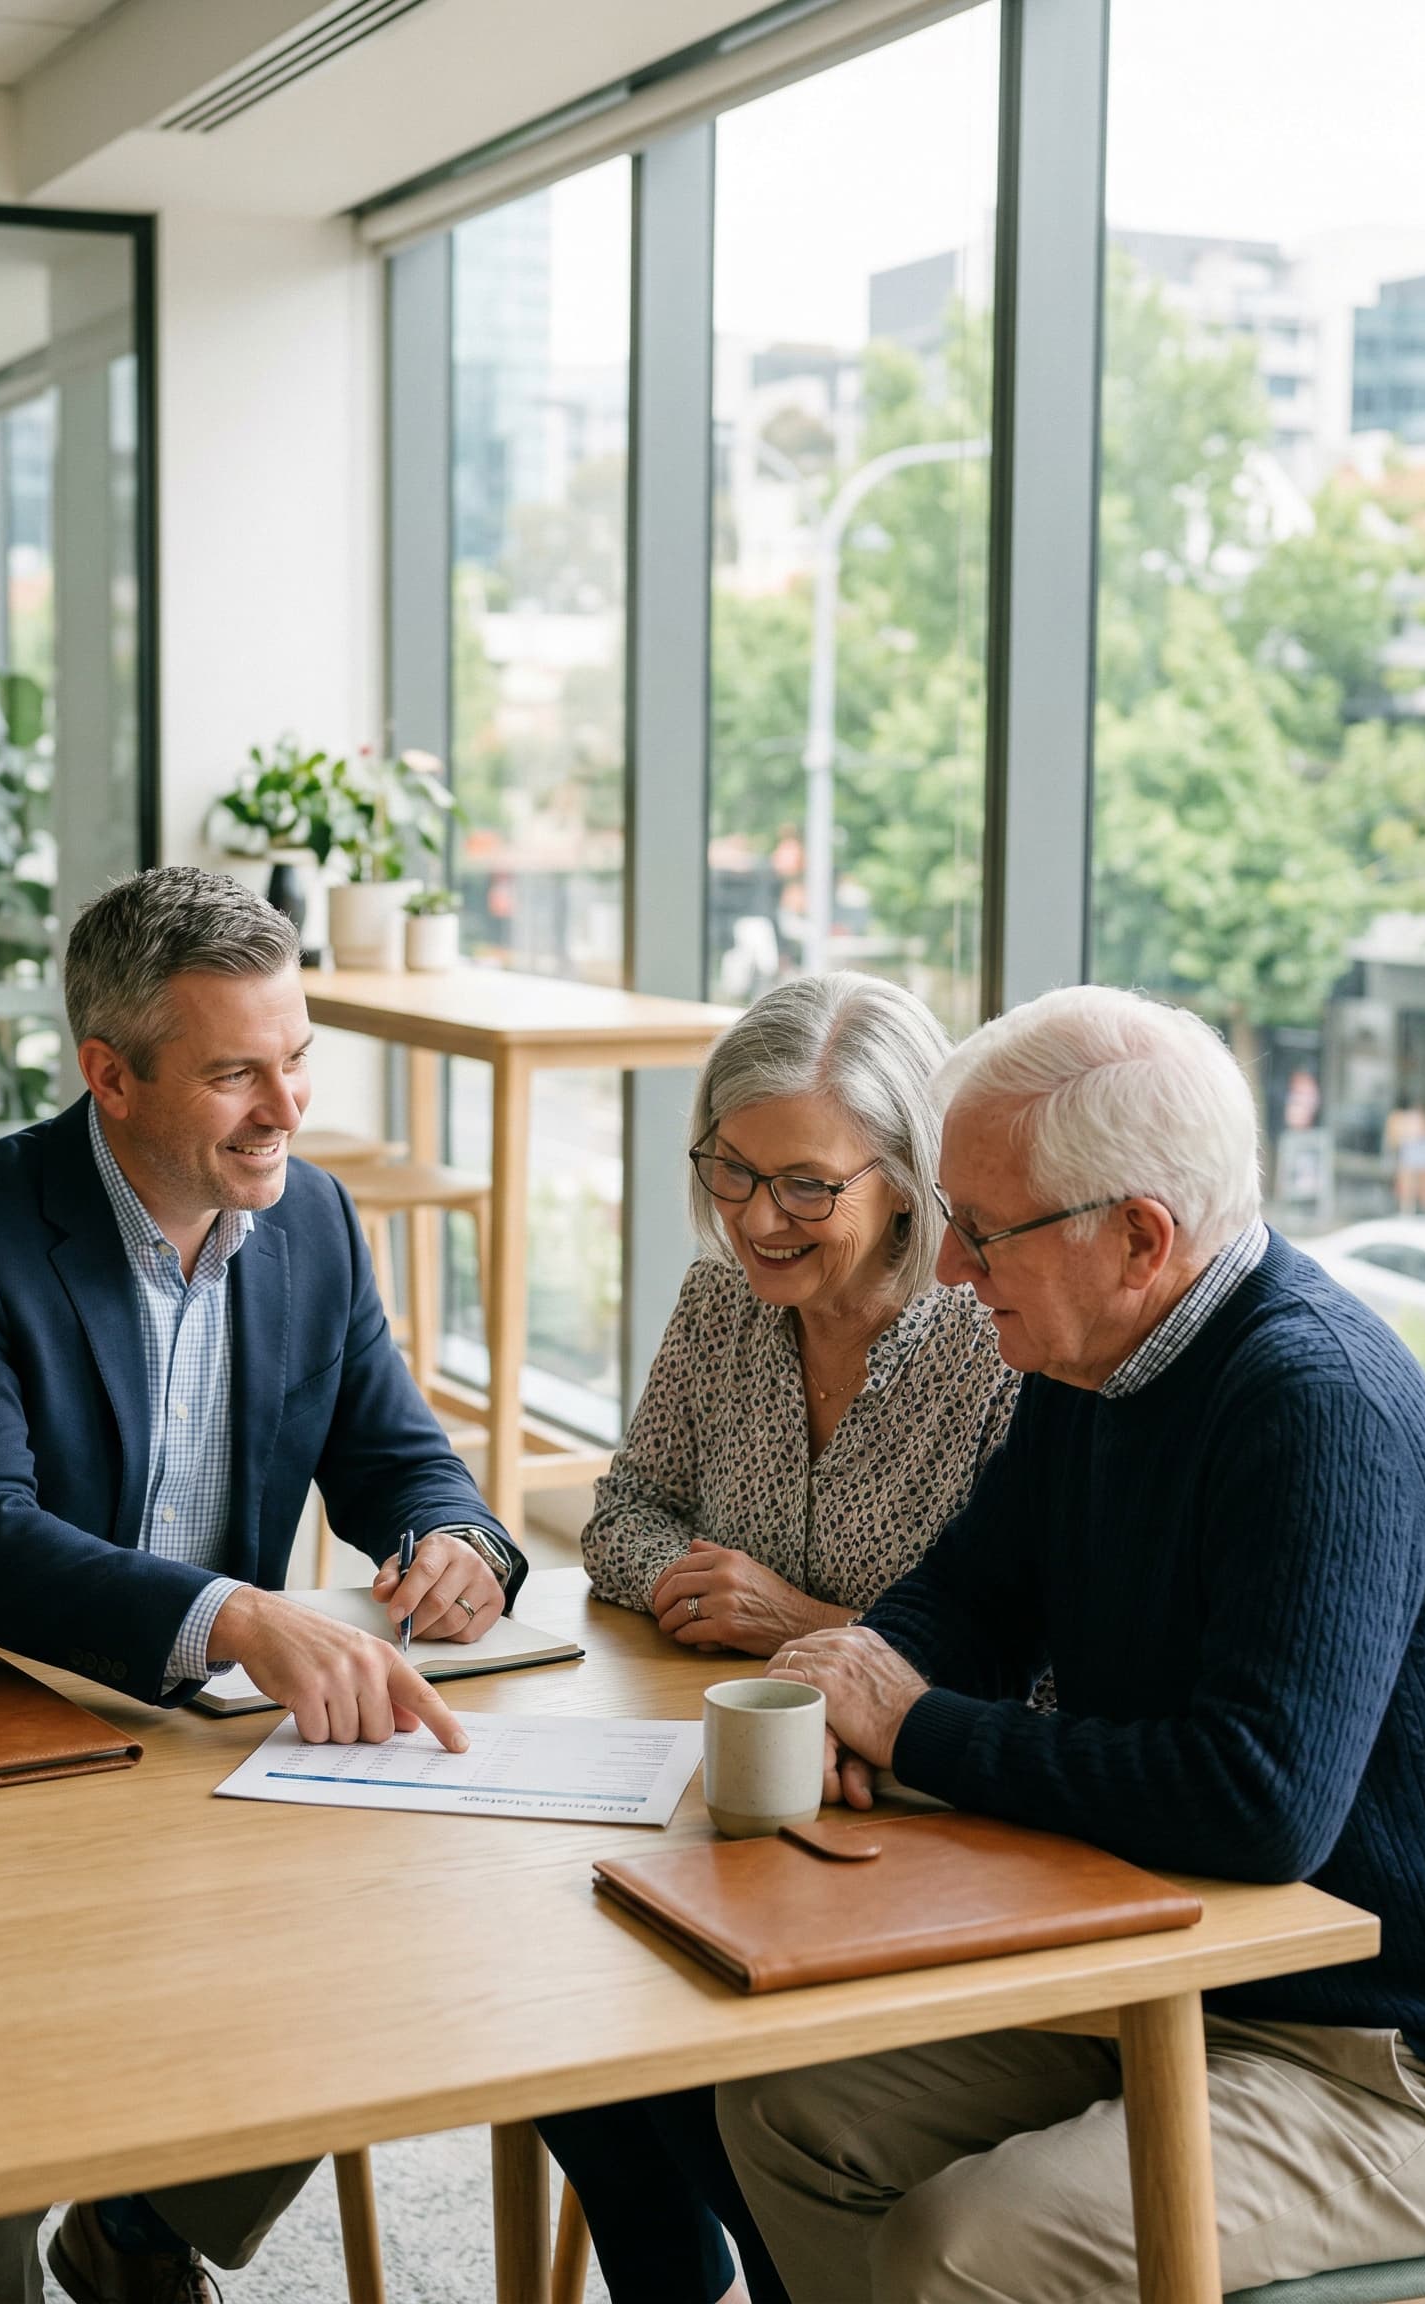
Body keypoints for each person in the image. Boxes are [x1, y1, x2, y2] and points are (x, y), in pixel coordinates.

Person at [0, 865, 525, 2304]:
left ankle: (141, 2228)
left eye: (298, 1060)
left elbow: (402, 1461)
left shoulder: (312, 1222)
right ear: (109, 1077)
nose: (287, 1109)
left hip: (181, 1752)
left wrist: (463, 1546)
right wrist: (234, 1614)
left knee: (406, 1927)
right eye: (236, 1073)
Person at [718, 986, 1425, 2304]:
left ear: (1141, 1238)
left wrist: (916, 1725)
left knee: (961, 2251)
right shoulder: (1091, 1358)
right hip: (1180, 1971)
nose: (946, 1270)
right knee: (784, 2113)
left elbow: (1260, 1804)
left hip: (1375, 2052)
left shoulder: (1317, 1407)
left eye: (981, 1233)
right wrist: (846, 1687)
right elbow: (978, 1595)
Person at [544, 972, 1019, 2304]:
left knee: (704, 2059)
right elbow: (621, 1511)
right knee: (557, 1982)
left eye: (806, 1184)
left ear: (908, 1179)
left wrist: (806, 1628)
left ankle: (765, 2268)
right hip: (720, 1788)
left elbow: (1017, 1659)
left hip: (906, 1818)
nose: (758, 1217)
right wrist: (700, 1585)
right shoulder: (716, 1311)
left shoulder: (996, 1352)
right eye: (731, 1170)